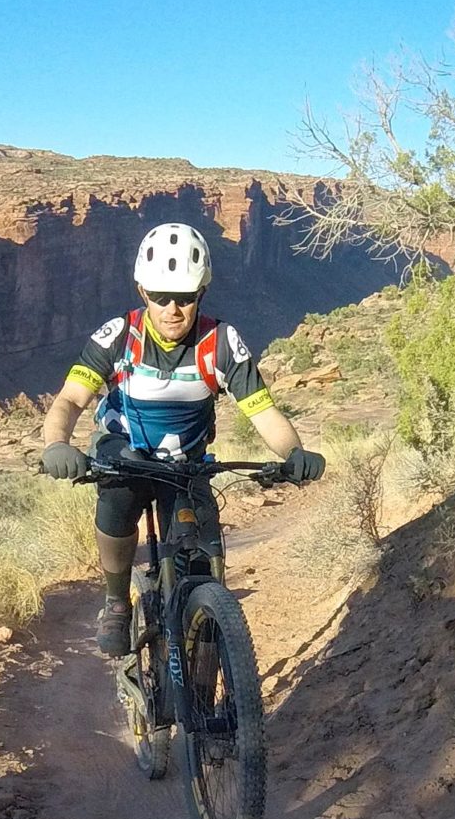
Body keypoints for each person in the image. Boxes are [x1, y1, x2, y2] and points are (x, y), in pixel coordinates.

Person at [39, 223, 324, 655]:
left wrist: (293, 453)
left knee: (203, 557)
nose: (173, 308)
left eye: (186, 297)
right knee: (116, 500)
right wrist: (57, 444)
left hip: (185, 462)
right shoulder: (119, 335)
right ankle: (116, 601)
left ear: (202, 292)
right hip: (124, 452)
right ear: (142, 292)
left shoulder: (221, 342)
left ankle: (209, 660)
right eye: (160, 296)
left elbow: (263, 412)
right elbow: (69, 400)